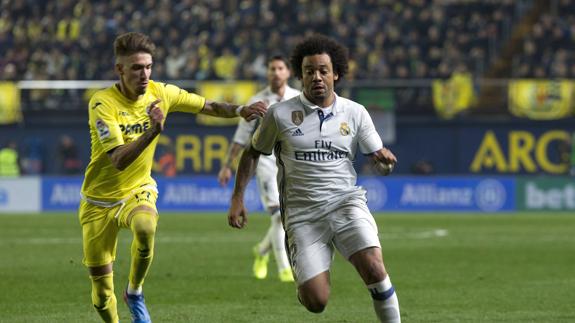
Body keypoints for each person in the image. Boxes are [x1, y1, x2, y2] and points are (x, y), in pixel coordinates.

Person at [79, 32, 266, 323]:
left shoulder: (161, 92)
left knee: (145, 226)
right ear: (120, 69)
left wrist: (242, 110)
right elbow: (118, 160)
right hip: (97, 202)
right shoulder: (102, 103)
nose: (144, 74)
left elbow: (209, 106)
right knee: (102, 297)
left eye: (148, 66)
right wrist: (153, 131)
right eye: (137, 68)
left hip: (136, 190)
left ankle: (135, 291)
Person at [228, 35, 401, 322]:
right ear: (300, 75)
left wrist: (386, 165)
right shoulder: (280, 114)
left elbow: (380, 162)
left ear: (336, 74)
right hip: (302, 215)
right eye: (309, 71)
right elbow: (252, 153)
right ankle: (309, 275)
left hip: (346, 204)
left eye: (323, 70)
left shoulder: (356, 113)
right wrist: (237, 198)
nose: (317, 77)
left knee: (374, 268)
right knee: (316, 301)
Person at [218, 55, 299, 282]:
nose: (276, 72)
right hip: (264, 162)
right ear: (267, 73)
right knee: (277, 215)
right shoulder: (257, 100)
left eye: (280, 68)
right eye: (272, 68)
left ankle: (262, 251)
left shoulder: (298, 98)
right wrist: (227, 165)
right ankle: (285, 269)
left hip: (290, 162)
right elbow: (241, 137)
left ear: (288, 72)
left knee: (286, 217)